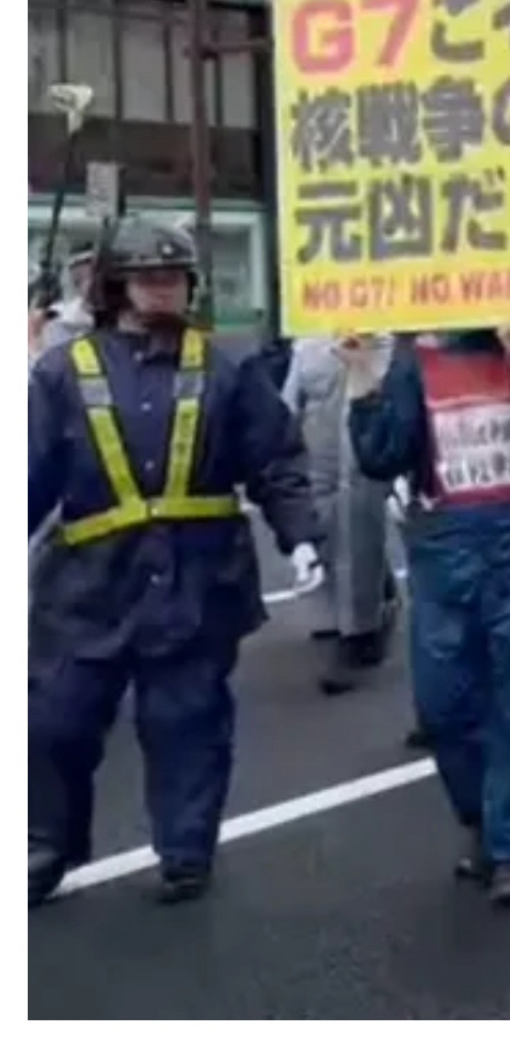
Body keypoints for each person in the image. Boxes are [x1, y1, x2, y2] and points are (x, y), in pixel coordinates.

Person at [28, 218, 324, 907]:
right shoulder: (61, 370)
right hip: (89, 582)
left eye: (174, 277)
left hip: (199, 578)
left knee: (186, 718)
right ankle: (44, 845)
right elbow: (29, 470)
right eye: (147, 277)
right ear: (113, 286)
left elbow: (275, 460)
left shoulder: (228, 364)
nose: (163, 289)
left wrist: (300, 535)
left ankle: (186, 851)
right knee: (54, 720)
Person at [344, 325, 510, 908]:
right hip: (442, 547)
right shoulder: (413, 353)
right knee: (442, 704)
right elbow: (381, 456)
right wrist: (359, 378)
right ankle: (481, 814)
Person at [283, 334, 402, 695]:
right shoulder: (308, 347)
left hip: (369, 451)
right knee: (325, 530)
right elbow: (289, 405)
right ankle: (372, 597)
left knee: (358, 528)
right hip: (318, 451)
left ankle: (358, 634)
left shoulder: (393, 345)